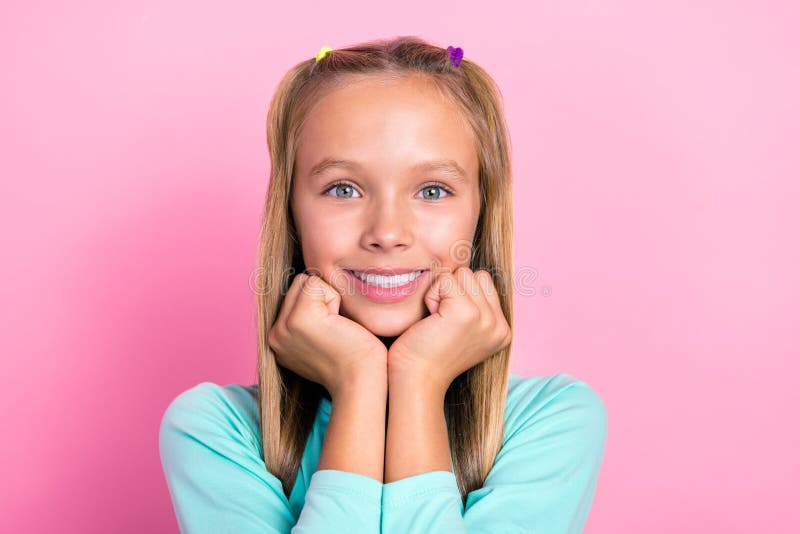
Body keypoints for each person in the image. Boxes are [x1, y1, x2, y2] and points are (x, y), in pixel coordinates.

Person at [159, 36, 608, 533]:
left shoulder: (552, 421)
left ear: (482, 213)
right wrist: (358, 381)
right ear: (291, 214)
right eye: (343, 189)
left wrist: (417, 378)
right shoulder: (213, 430)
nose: (388, 233)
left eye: (432, 190)